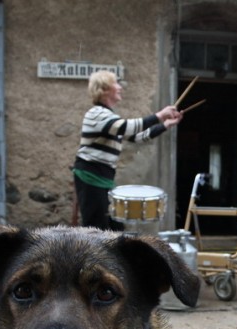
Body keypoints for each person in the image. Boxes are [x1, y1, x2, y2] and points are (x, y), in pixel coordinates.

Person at [72, 70, 182, 230]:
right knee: (96, 230)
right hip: (91, 176)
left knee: (115, 228)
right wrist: (159, 115)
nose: (120, 87)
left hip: (103, 178)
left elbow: (137, 136)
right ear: (104, 89)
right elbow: (127, 127)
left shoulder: (109, 116)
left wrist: (165, 125)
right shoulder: (96, 114)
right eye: (116, 83)